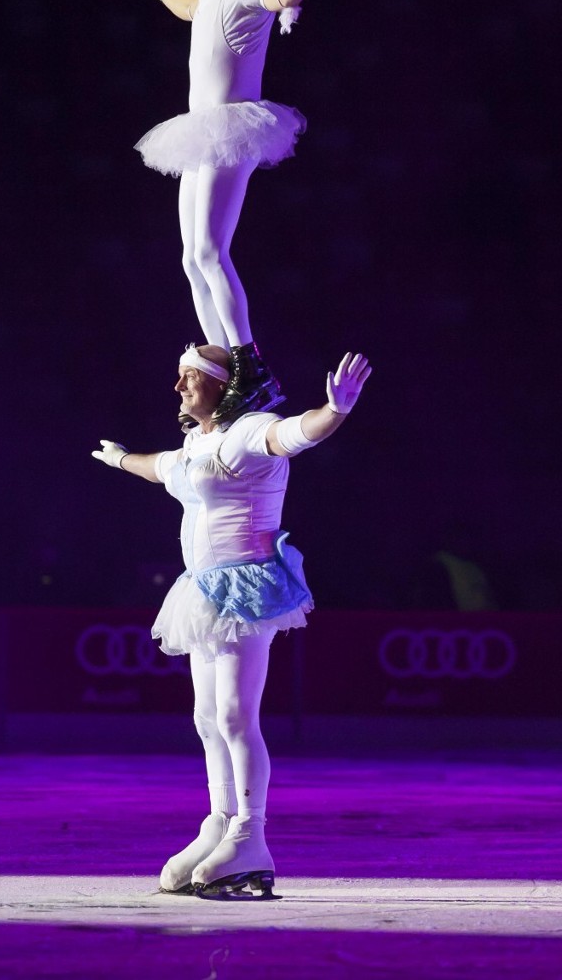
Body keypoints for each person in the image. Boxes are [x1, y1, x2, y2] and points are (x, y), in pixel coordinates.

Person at [91, 342, 371, 898]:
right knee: (205, 717)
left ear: (222, 384)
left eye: (189, 377)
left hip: (248, 587)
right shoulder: (197, 444)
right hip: (201, 591)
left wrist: (334, 411)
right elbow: (159, 468)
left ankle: (250, 834)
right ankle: (219, 822)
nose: (178, 388)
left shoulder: (247, 431)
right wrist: (120, 458)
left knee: (236, 714)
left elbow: (293, 434)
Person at [136, 0, 330, 424]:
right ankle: (221, 366)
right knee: (188, 258)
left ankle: (251, 367)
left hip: (230, 128)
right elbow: (190, 8)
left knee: (209, 249)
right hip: (199, 131)